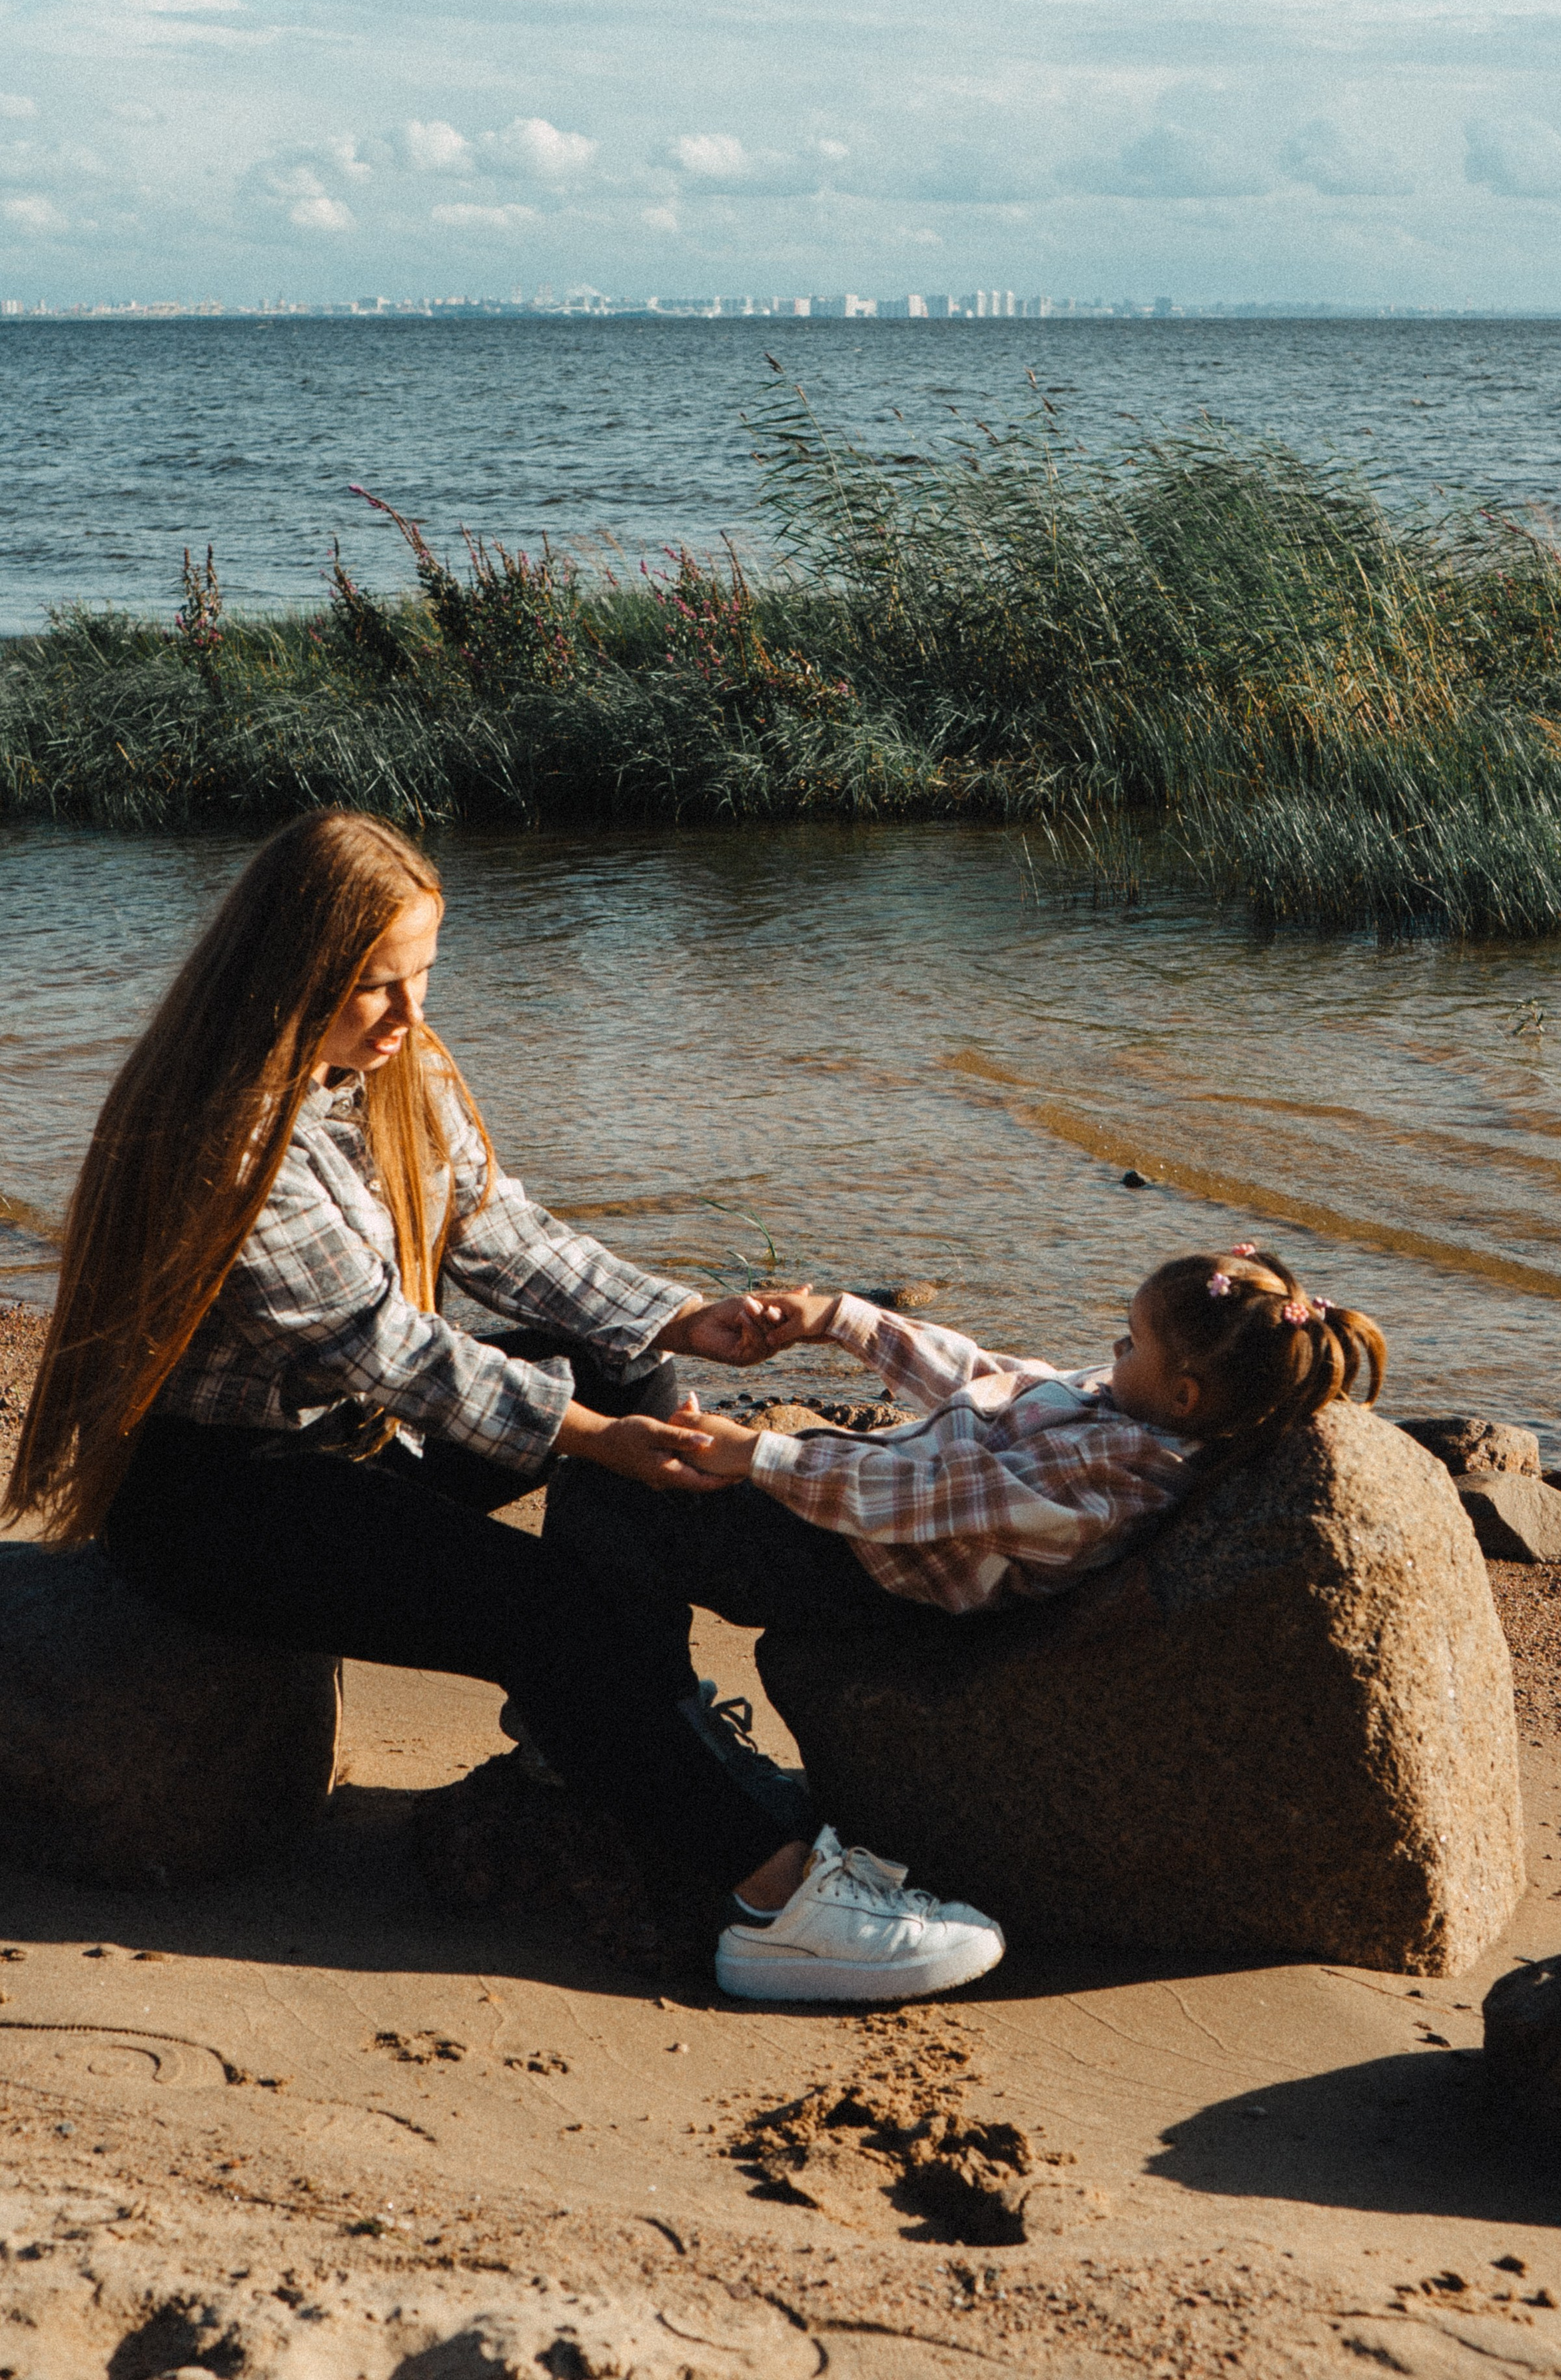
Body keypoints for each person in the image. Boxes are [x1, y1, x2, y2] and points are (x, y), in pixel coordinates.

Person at [3, 809, 1005, 2006]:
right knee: (542, 1606)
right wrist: (592, 1443)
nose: (412, 1015)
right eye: (378, 987)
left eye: (423, 976)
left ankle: (613, 1732)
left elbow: (495, 1230)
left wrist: (678, 1319)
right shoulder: (224, 1139)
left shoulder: (384, 1068)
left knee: (617, 1363)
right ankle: (772, 1896)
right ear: (291, 976)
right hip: (220, 1501)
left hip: (349, 1448)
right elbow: (390, 1351)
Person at [544, 1244, 1386, 1997]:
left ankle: (625, 1707)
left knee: (615, 1498)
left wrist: (757, 1454)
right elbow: (988, 1379)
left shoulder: (1121, 1479)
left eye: (1131, 1340)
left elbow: (917, 1501)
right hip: (865, 1511)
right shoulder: (1131, 1405)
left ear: (1185, 1391)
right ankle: (616, 1695)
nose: (1114, 1350)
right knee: (624, 1455)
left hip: (868, 1573)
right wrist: (843, 1319)